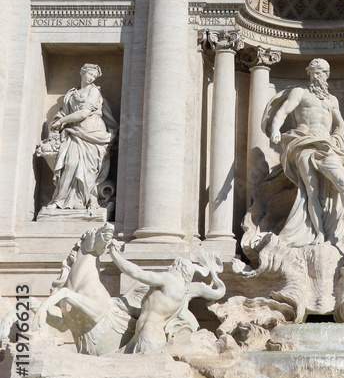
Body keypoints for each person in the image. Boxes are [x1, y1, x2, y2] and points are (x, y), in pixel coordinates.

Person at [263, 58, 344, 247]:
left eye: (322, 72)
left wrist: (337, 138)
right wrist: (275, 130)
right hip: (304, 143)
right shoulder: (300, 93)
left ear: (328, 74)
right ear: (309, 73)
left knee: (341, 182)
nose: (318, 75)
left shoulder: (331, 100)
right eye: (315, 71)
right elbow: (282, 112)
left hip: (327, 145)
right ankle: (319, 233)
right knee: (311, 190)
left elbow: (340, 123)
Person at [107, 247, 225, 353]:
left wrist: (114, 254)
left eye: (173, 265)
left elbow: (137, 273)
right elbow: (153, 312)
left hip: (149, 336)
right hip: (147, 336)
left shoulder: (170, 279)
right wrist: (129, 309)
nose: (169, 267)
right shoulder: (182, 294)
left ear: (179, 267)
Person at [38, 64, 117, 213]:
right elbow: (64, 112)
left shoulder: (94, 92)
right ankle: (61, 200)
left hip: (92, 132)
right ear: (82, 73)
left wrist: (62, 121)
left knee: (87, 169)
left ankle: (87, 200)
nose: (92, 78)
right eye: (90, 74)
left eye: (94, 76)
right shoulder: (72, 93)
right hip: (74, 132)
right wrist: (56, 122)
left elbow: (83, 114)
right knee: (69, 163)